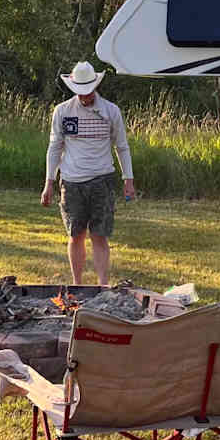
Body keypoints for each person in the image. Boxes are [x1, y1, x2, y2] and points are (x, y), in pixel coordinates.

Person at [41, 61, 135, 285]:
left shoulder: (111, 111)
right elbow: (55, 147)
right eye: (80, 93)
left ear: (95, 86)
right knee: (76, 235)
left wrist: (128, 180)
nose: (84, 97)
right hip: (71, 183)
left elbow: (121, 146)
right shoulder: (62, 112)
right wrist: (49, 183)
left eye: (88, 92)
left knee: (99, 236)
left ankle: (102, 286)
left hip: (101, 180)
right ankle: (78, 285)